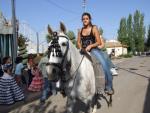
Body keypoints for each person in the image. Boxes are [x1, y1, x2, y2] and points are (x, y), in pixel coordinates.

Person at [77, 12, 114, 95]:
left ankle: (109, 86)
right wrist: (81, 48)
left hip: (94, 50)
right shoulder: (80, 30)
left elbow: (98, 42)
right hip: (83, 50)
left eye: (86, 19)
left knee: (104, 66)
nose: (85, 20)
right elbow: (78, 42)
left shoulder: (94, 28)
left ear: (89, 19)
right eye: (83, 19)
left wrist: (90, 46)